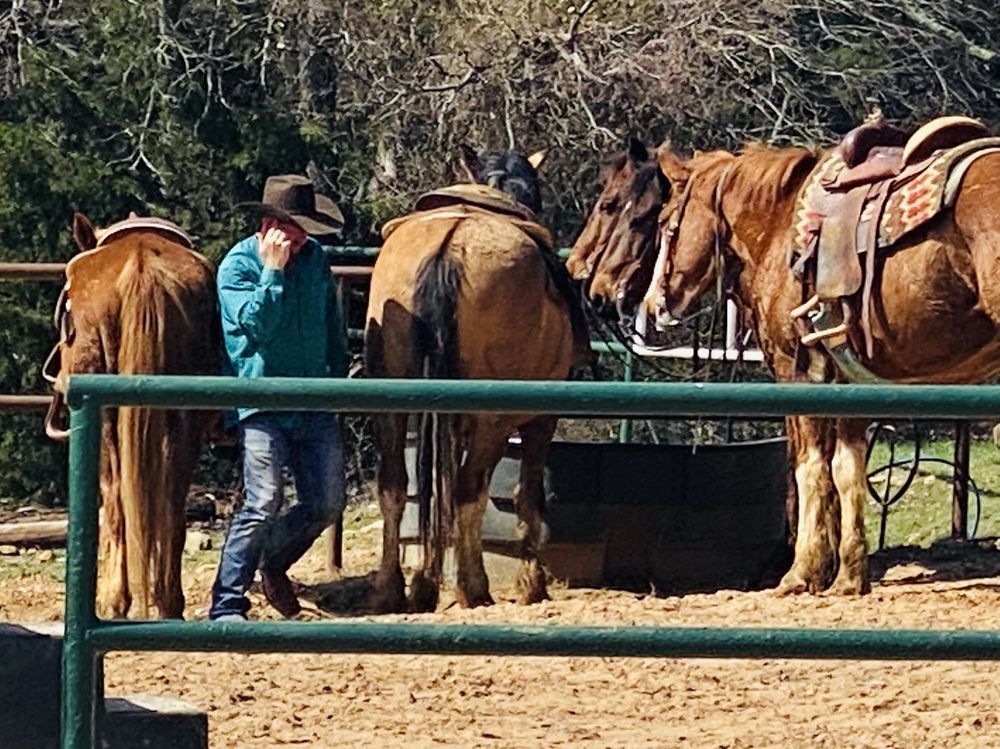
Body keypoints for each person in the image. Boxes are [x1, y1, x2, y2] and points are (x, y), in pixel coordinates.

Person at [209, 174, 350, 621]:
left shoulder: (315, 259)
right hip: (262, 402)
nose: (304, 236)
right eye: (296, 226)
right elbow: (257, 328)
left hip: (314, 399)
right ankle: (227, 602)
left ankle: (273, 559)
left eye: (307, 227)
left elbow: (330, 326)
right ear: (270, 225)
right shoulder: (237, 267)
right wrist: (272, 272)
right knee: (263, 500)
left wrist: (338, 378)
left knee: (328, 502)